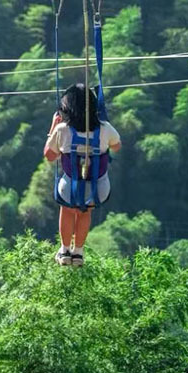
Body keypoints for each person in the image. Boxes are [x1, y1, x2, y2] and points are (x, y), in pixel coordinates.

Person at [44, 83, 121, 267]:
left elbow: (50, 155)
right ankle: (78, 252)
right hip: (98, 188)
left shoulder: (62, 130)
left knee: (68, 209)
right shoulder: (105, 128)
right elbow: (117, 146)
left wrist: (52, 128)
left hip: (69, 188)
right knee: (85, 211)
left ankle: (64, 250)